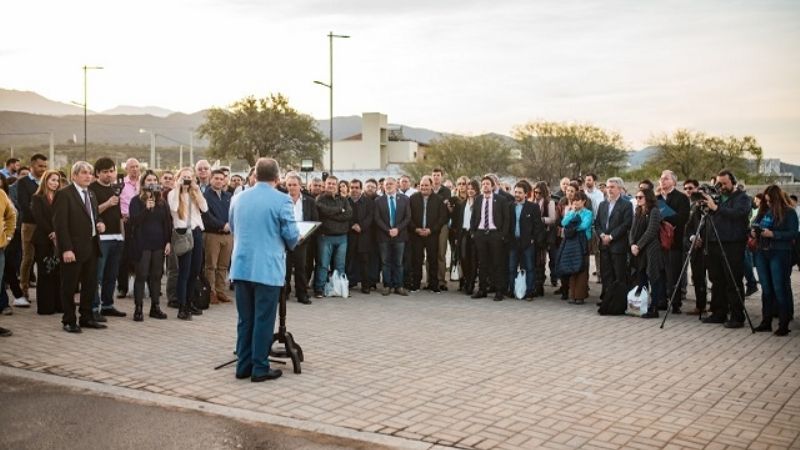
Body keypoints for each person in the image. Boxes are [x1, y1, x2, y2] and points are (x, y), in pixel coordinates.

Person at [229, 158, 298, 382]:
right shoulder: (282, 200)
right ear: (277, 178)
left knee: (245, 318)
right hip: (267, 268)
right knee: (263, 319)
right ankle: (260, 367)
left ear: (255, 175)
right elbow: (291, 235)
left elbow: (233, 227)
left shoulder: (238, 198)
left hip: (241, 265)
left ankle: (243, 365)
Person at [53, 161, 107, 333]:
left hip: (91, 245)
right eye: (83, 173)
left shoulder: (91, 193)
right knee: (69, 286)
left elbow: (95, 216)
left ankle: (86, 317)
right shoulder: (64, 194)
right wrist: (66, 249)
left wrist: (100, 223)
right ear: (74, 175)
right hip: (73, 249)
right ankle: (68, 320)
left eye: (90, 173)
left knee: (90, 284)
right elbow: (60, 225)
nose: (88, 176)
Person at [701, 170, 751, 328]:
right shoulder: (716, 197)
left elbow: (739, 214)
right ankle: (718, 312)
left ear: (733, 182)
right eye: (719, 183)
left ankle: (737, 316)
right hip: (714, 241)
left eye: (724, 183)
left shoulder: (742, 198)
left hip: (733, 243)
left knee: (733, 280)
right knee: (716, 279)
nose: (721, 186)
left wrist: (716, 208)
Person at [751, 185, 798, 336]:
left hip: (780, 252)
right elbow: (755, 224)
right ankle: (766, 321)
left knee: (779, 287)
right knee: (766, 288)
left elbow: (793, 233)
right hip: (762, 251)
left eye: (771, 201)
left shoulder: (789, 212)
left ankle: (783, 323)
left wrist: (773, 234)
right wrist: (754, 231)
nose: (768, 204)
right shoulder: (764, 211)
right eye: (766, 201)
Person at [128, 170, 171, 321]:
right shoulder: (136, 201)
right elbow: (134, 222)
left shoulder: (162, 202)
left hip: (158, 244)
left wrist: (168, 241)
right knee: (141, 275)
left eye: (154, 180)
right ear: (143, 183)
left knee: (156, 276)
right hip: (142, 244)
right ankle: (138, 308)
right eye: (148, 180)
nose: (151, 182)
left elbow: (167, 223)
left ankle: (155, 307)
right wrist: (146, 208)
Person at [168, 167, 209, 320]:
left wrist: (197, 190)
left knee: (195, 270)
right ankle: (182, 306)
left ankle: (190, 301)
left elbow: (204, 208)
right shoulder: (173, 194)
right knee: (184, 271)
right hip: (183, 232)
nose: (186, 180)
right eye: (183, 177)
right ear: (178, 178)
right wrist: (179, 187)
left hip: (197, 231)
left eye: (189, 177)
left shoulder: (194, 193)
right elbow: (173, 208)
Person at [90, 157, 127, 320]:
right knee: (97, 275)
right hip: (101, 238)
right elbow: (90, 212)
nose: (109, 175)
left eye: (111, 171)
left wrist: (122, 234)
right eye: (105, 172)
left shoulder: (115, 188)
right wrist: (107, 203)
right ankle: (93, 307)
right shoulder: (91, 189)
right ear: (97, 173)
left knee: (111, 275)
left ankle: (107, 305)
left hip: (116, 237)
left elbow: (118, 214)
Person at [471, 176, 511, 301]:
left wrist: (502, 234)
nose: (485, 186)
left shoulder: (501, 200)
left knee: (497, 263)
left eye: (488, 184)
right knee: (482, 263)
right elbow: (474, 217)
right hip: (481, 234)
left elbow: (506, 219)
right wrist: (474, 232)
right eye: (483, 184)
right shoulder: (478, 200)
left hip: (495, 234)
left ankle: (499, 290)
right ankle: (482, 289)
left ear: (493, 186)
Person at [594, 177, 633, 302]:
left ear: (620, 189)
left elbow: (626, 224)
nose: (609, 189)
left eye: (612, 187)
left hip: (618, 245)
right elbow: (597, 223)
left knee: (619, 274)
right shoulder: (602, 204)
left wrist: (611, 236)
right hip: (604, 245)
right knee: (606, 274)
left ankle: (619, 301)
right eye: (608, 187)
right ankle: (607, 299)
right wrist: (601, 235)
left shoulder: (626, 205)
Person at [313, 175, 352, 298]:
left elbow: (348, 215)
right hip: (325, 237)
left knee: (340, 266)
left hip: (342, 237)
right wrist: (340, 211)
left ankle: (340, 289)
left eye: (333, 184)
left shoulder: (344, 199)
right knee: (323, 265)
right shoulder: (320, 198)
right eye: (329, 183)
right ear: (325, 184)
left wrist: (333, 214)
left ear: (337, 186)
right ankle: (319, 289)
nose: (331, 186)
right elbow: (323, 211)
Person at [30, 171, 63, 315]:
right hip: (43, 240)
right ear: (45, 181)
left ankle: (58, 305)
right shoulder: (37, 198)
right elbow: (39, 218)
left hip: (58, 240)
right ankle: (45, 307)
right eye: (52, 180)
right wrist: (51, 232)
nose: (55, 183)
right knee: (45, 273)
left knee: (58, 272)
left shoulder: (61, 197)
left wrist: (58, 233)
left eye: (57, 180)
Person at [658, 170, 691, 313]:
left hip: (674, 240)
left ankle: (675, 302)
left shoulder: (681, 198)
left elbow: (683, 218)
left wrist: (664, 217)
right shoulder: (657, 198)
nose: (663, 181)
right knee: (660, 272)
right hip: (658, 241)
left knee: (673, 273)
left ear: (673, 182)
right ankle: (661, 300)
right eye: (661, 179)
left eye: (666, 179)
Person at [630, 188, 665, 318]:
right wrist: (632, 244)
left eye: (641, 197)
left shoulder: (654, 211)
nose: (638, 199)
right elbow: (632, 230)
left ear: (648, 198)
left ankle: (654, 307)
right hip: (639, 250)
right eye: (637, 197)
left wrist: (638, 245)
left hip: (651, 249)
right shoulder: (638, 210)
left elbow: (651, 231)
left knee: (654, 278)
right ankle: (642, 305)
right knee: (642, 278)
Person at [373, 176, 411, 296]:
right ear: (383, 186)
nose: (388, 186)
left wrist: (397, 229)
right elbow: (377, 218)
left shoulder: (404, 199)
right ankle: (387, 285)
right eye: (386, 184)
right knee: (385, 262)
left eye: (391, 184)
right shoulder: (378, 200)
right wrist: (388, 230)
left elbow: (408, 217)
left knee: (399, 262)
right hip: (384, 236)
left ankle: (398, 286)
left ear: (396, 186)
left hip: (400, 235)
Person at [409, 176, 447, 292]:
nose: (424, 187)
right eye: (422, 185)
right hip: (416, 234)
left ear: (431, 186)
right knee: (416, 259)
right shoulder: (412, 198)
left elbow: (442, 218)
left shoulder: (439, 199)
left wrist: (431, 230)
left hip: (432, 234)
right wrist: (416, 229)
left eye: (426, 185)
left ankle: (434, 285)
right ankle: (415, 284)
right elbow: (408, 217)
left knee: (433, 259)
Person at [18, 153, 48, 298]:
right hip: (29, 225)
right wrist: (41, 218)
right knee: (28, 258)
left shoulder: (47, 182)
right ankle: (23, 290)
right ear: (32, 166)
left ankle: (45, 292)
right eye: (40, 166)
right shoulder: (23, 182)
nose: (43, 169)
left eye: (45, 166)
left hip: (45, 227)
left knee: (44, 258)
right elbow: (24, 205)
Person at [284, 173, 317, 304]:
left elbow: (314, 220)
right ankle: (284, 293)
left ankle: (301, 294)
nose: (292, 187)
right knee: (284, 269)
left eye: (294, 185)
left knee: (301, 268)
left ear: (300, 186)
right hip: (285, 240)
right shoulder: (281, 200)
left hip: (302, 239)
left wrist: (306, 234)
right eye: (289, 185)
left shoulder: (309, 201)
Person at [508, 181, 544, 300]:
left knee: (529, 268)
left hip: (528, 243)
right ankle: (512, 290)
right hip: (513, 242)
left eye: (519, 192)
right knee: (512, 268)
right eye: (516, 192)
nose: (517, 194)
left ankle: (529, 292)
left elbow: (538, 226)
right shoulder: (510, 206)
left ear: (526, 194)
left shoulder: (533, 207)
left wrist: (534, 239)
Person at [202, 169, 234, 304]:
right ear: (211, 179)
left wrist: (230, 225)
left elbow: (233, 213)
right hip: (212, 235)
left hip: (228, 236)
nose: (219, 181)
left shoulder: (228, 196)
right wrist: (222, 225)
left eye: (221, 179)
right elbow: (206, 216)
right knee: (211, 266)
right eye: (216, 178)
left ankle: (221, 291)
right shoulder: (205, 196)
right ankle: (210, 292)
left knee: (223, 266)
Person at [559, 190, 593, 305]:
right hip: (571, 243)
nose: (575, 203)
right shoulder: (571, 211)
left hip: (583, 241)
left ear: (583, 201)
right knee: (572, 267)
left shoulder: (588, 213)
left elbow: (584, 225)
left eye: (578, 200)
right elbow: (563, 223)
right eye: (574, 201)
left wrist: (571, 228)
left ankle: (580, 296)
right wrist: (572, 213)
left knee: (582, 268)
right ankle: (572, 295)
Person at [682, 180, 708, 315]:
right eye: (685, 188)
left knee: (716, 278)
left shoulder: (710, 206)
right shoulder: (692, 207)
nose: (688, 191)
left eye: (691, 188)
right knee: (697, 277)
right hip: (696, 248)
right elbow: (689, 227)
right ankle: (700, 305)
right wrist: (693, 237)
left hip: (711, 246)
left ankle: (719, 306)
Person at [117, 158, 140, 299]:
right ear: (126, 169)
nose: (135, 169)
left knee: (140, 255)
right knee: (123, 257)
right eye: (132, 167)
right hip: (126, 222)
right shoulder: (121, 185)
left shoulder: (143, 184)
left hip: (141, 223)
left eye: (137, 166)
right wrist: (121, 216)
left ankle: (141, 286)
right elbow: (116, 202)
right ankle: (122, 288)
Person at [347, 179, 374, 294]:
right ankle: (347, 283)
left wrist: (361, 226)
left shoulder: (368, 202)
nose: (354, 190)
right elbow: (343, 216)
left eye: (356, 187)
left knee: (365, 262)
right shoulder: (345, 201)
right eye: (352, 187)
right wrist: (352, 225)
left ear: (361, 189)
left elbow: (370, 216)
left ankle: (365, 285)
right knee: (348, 261)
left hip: (364, 236)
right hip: (350, 235)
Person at [533, 181, 559, 293]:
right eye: (535, 192)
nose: (537, 195)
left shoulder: (549, 203)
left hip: (546, 234)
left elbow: (553, 219)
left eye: (539, 193)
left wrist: (541, 220)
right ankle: (538, 283)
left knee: (547, 259)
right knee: (537, 260)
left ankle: (551, 279)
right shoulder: (533, 202)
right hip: (535, 234)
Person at [456, 179, 480, 295]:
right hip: (464, 233)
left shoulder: (479, 203)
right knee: (464, 258)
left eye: (472, 189)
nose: (470, 191)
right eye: (469, 189)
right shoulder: (463, 204)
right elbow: (459, 221)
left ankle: (471, 283)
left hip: (474, 234)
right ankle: (465, 280)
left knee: (473, 259)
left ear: (476, 190)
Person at [431, 169, 451, 290]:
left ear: (442, 177)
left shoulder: (446, 191)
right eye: (434, 175)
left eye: (438, 175)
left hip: (443, 225)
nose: (436, 177)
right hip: (429, 225)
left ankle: (441, 281)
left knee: (441, 254)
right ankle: (430, 280)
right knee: (430, 254)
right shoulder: (428, 188)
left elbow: (445, 205)